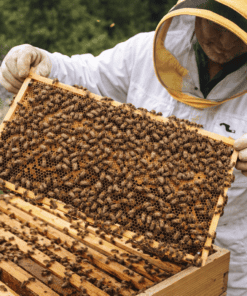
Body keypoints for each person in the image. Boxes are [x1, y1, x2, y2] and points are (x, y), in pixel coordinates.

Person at [1, 0, 247, 294]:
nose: (224, 42)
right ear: (194, 14)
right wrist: (45, 62)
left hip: (227, 255)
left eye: (239, 31)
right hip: (123, 243)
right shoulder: (144, 52)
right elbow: (88, 75)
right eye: (216, 26)